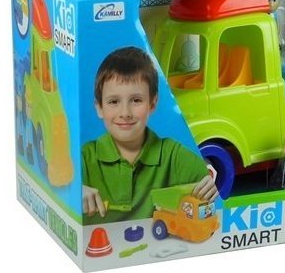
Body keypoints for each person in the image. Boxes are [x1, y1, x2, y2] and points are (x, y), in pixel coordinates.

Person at [81, 47, 218, 222]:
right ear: (99, 107)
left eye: (136, 100)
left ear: (152, 103)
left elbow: (208, 174)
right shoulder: (84, 158)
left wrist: (210, 176)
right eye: (113, 101)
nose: (125, 113)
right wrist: (75, 192)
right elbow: (56, 185)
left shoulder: (172, 155)